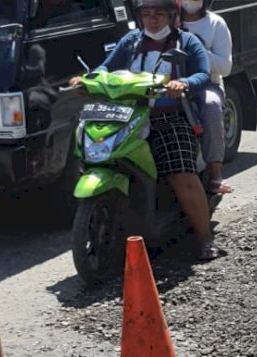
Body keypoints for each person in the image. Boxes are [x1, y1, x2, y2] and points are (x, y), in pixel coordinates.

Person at [68, 0, 224, 261]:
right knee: (101, 156)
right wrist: (88, 79)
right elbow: (107, 66)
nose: (152, 20)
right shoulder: (130, 41)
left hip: (169, 117)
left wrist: (182, 83)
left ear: (173, 16)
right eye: (147, 14)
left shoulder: (187, 42)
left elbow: (202, 74)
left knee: (181, 175)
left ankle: (205, 238)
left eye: (159, 14)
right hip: (126, 116)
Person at [180, 0, 233, 195]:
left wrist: (198, 51)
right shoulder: (167, 21)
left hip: (207, 84)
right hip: (171, 82)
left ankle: (214, 172)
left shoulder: (216, 24)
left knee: (211, 106)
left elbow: (225, 67)